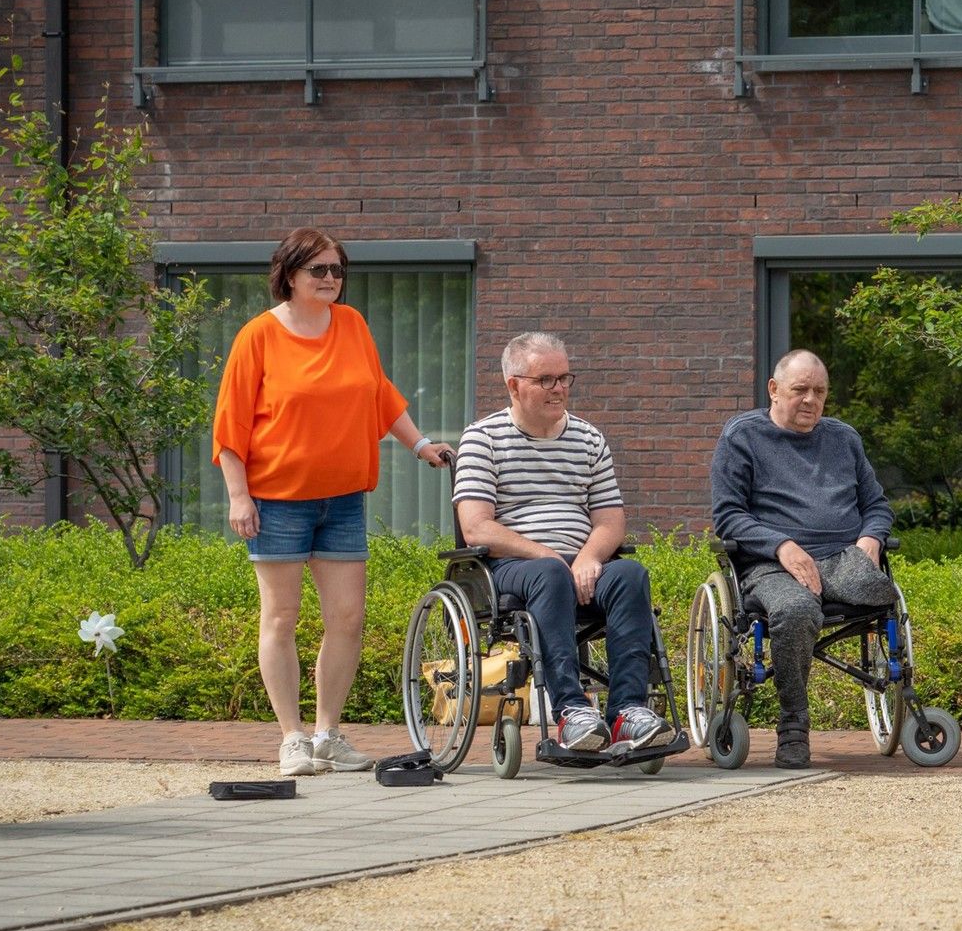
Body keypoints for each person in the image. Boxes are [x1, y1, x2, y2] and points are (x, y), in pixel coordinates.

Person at [213, 228, 452, 778]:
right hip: (275, 500)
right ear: (289, 275)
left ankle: (328, 735)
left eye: (337, 270)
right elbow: (231, 423)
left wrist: (420, 444)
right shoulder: (259, 336)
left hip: (342, 499)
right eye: (318, 270)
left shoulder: (352, 325)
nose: (330, 279)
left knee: (347, 618)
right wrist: (238, 495)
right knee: (280, 616)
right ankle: (291, 739)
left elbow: (379, 394)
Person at [452, 331, 673, 756]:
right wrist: (550, 556)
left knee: (629, 573)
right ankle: (572, 712)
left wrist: (589, 557)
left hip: (576, 563)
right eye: (546, 380)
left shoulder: (589, 438)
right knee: (550, 573)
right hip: (513, 567)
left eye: (565, 378)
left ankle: (628, 711)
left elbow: (610, 521)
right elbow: (477, 528)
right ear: (514, 385)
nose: (560, 389)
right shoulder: (483, 438)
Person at [710, 349, 896, 769]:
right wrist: (781, 545)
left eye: (820, 391)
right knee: (795, 610)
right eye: (800, 390)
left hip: (839, 557)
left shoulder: (844, 438)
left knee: (881, 593)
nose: (811, 400)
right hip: (770, 565)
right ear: (774, 390)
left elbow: (877, 505)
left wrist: (871, 538)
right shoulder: (742, 436)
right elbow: (728, 516)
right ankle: (793, 722)